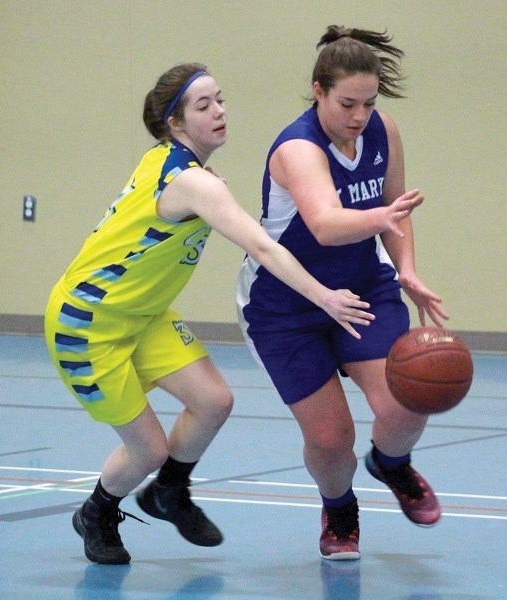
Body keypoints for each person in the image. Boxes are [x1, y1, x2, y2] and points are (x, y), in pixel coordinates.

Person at [44, 62, 380, 565]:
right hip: (87, 323)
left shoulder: (175, 164)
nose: (220, 111)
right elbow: (264, 249)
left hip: (143, 315)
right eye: (204, 106)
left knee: (214, 401)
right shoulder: (194, 183)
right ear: (175, 123)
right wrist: (324, 296)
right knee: (148, 451)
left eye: (220, 99)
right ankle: (97, 511)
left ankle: (169, 493)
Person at [236, 26, 449, 561]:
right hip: (285, 304)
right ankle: (339, 507)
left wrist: (407, 270)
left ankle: (392, 464)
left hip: (361, 289)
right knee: (332, 440)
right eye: (347, 103)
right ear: (318, 91)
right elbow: (329, 223)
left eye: (369, 103)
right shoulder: (297, 147)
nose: (359, 115)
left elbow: (396, 207)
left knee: (410, 396)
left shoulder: (383, 130)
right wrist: (383, 215)